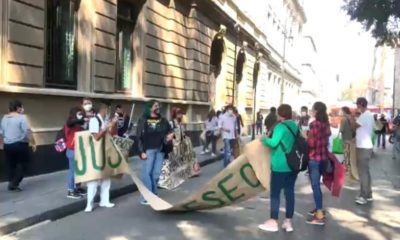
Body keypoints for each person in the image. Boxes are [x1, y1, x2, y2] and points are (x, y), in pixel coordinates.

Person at [258, 104, 298, 232]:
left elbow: (273, 143)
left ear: (280, 114)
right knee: (290, 193)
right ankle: (288, 222)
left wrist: (264, 139)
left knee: (275, 194)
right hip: (292, 166)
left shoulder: (280, 127)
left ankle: (273, 221)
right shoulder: (294, 126)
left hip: (280, 166)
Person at [136, 100, 174, 205]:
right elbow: (138, 136)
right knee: (147, 173)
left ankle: (154, 193)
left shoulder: (163, 120)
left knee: (156, 174)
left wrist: (171, 135)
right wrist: (141, 152)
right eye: (155, 106)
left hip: (160, 149)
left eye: (158, 105)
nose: (158, 107)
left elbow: (170, 130)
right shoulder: (143, 120)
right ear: (149, 108)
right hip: (148, 150)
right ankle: (146, 197)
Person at [85, 103, 118, 212]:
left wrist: (113, 125)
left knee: (106, 178)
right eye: (108, 110)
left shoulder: (105, 121)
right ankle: (89, 204)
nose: (109, 112)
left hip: (105, 152)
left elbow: (111, 135)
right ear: (104, 110)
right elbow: (96, 137)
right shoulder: (94, 121)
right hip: (96, 154)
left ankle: (105, 201)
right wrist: (105, 128)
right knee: (94, 179)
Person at [158, 108, 200, 189]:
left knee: (184, 160)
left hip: (181, 145)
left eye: (181, 113)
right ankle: (162, 181)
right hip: (173, 146)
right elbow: (168, 134)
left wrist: (185, 139)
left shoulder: (180, 123)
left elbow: (182, 133)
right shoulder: (171, 123)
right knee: (169, 163)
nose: (180, 115)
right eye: (178, 113)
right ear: (174, 114)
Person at [305, 102, 331, 225]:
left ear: (316, 111)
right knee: (317, 185)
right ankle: (318, 207)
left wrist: (307, 137)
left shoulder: (314, 125)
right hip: (323, 158)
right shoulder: (326, 125)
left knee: (315, 185)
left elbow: (311, 144)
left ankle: (319, 215)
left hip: (314, 158)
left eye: (312, 109)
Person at [1, 100, 34, 191]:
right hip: (20, 144)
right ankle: (14, 183)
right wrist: (33, 142)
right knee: (23, 164)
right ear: (18, 108)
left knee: (11, 165)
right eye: (21, 107)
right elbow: (27, 131)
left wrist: (2, 144)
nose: (23, 109)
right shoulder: (22, 118)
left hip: (7, 145)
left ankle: (11, 183)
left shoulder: (4, 118)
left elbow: (2, 132)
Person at [351, 97, 374, 205]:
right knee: (366, 171)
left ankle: (363, 195)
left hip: (363, 147)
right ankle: (368, 194)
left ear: (360, 105)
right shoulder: (368, 115)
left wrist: (351, 117)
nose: (356, 107)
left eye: (357, 105)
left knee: (362, 172)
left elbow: (353, 126)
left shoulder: (364, 116)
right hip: (366, 146)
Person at [64, 107, 87, 199]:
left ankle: (77, 187)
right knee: (73, 172)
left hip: (78, 150)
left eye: (81, 114)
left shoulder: (77, 125)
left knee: (78, 171)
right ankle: (70, 190)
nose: (81, 115)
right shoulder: (69, 123)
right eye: (79, 114)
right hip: (72, 150)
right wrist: (80, 119)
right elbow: (71, 122)